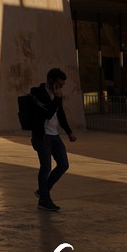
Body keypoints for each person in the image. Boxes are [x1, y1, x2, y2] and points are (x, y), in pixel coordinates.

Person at [29, 67, 77, 212]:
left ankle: (42, 192)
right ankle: (44, 200)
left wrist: (69, 132)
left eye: (62, 85)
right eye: (59, 84)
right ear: (50, 81)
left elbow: (60, 114)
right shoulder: (37, 93)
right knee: (46, 167)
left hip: (54, 135)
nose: (60, 88)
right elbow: (48, 113)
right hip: (42, 136)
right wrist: (56, 98)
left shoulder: (57, 95)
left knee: (63, 164)